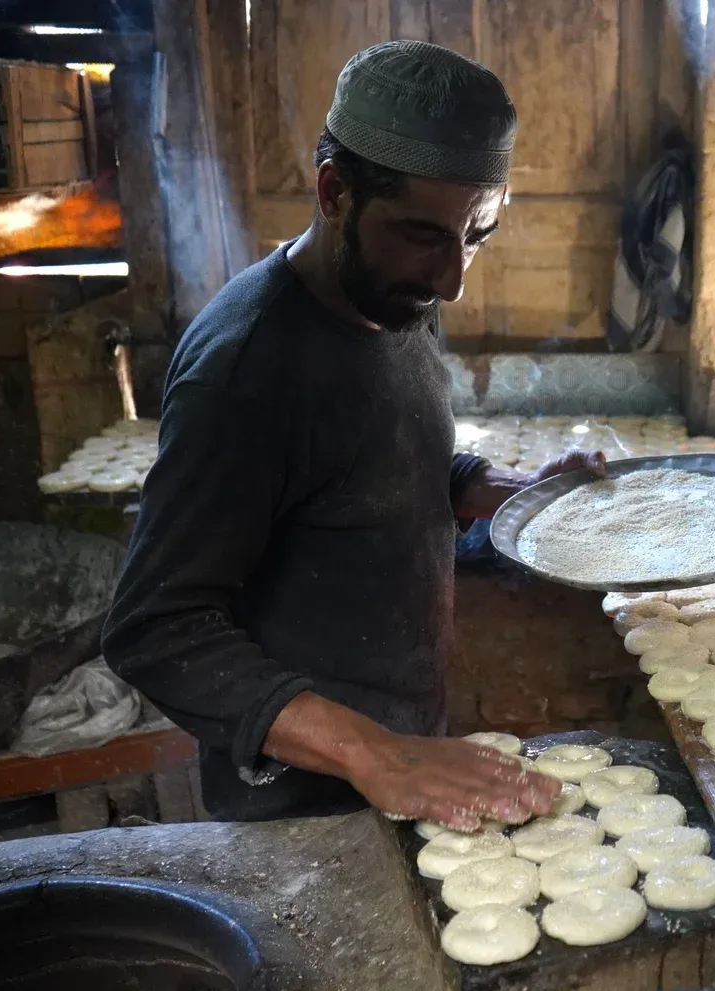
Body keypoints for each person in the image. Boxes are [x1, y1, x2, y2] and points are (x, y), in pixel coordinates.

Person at [102, 41, 605, 827]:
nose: (453, 280)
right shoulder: (247, 374)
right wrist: (375, 754)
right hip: (300, 805)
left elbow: (379, 459)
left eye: (477, 234)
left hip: (405, 767)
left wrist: (505, 492)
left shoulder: (398, 295)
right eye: (427, 236)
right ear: (335, 192)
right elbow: (154, 630)